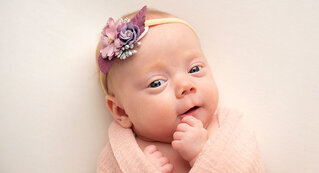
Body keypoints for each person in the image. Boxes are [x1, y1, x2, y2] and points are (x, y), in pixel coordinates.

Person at [96, 6, 265, 173]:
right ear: (121, 112)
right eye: (156, 83)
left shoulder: (228, 130)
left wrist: (203, 154)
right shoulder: (121, 156)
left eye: (194, 69)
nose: (185, 85)